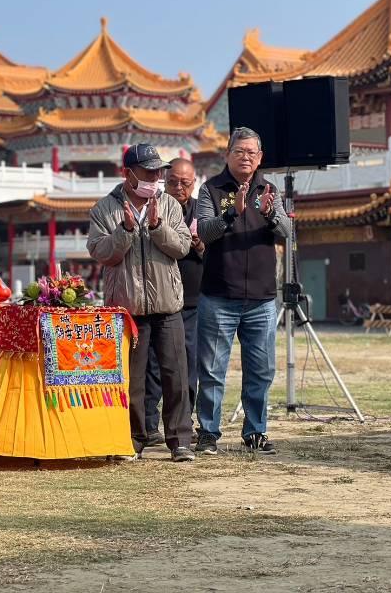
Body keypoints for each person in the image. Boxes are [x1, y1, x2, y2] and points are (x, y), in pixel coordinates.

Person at [87, 143, 194, 462]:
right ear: (127, 173)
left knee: (176, 374)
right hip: (127, 308)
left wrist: (158, 228)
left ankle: (180, 441)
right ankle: (133, 439)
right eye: (148, 172)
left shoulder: (170, 205)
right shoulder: (105, 209)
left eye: (158, 172)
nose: (155, 177)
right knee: (131, 378)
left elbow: (183, 248)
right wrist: (125, 232)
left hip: (168, 305)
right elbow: (100, 252)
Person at [195, 127, 289, 456]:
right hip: (219, 296)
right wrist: (232, 211)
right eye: (240, 151)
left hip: (261, 300)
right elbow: (204, 231)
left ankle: (256, 431)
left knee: (261, 369)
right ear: (228, 155)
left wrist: (269, 213)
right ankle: (208, 433)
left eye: (252, 152)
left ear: (260, 157)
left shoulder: (269, 189)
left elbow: (288, 232)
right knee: (211, 370)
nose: (246, 156)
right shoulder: (210, 189)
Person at [144, 159, 205, 446]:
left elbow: (218, 252)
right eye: (172, 182)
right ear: (163, 181)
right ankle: (148, 424)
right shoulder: (154, 206)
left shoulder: (202, 210)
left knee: (186, 364)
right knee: (153, 364)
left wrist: (202, 247)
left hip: (191, 300)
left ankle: (184, 421)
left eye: (185, 182)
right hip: (157, 297)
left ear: (195, 183)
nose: (178, 187)